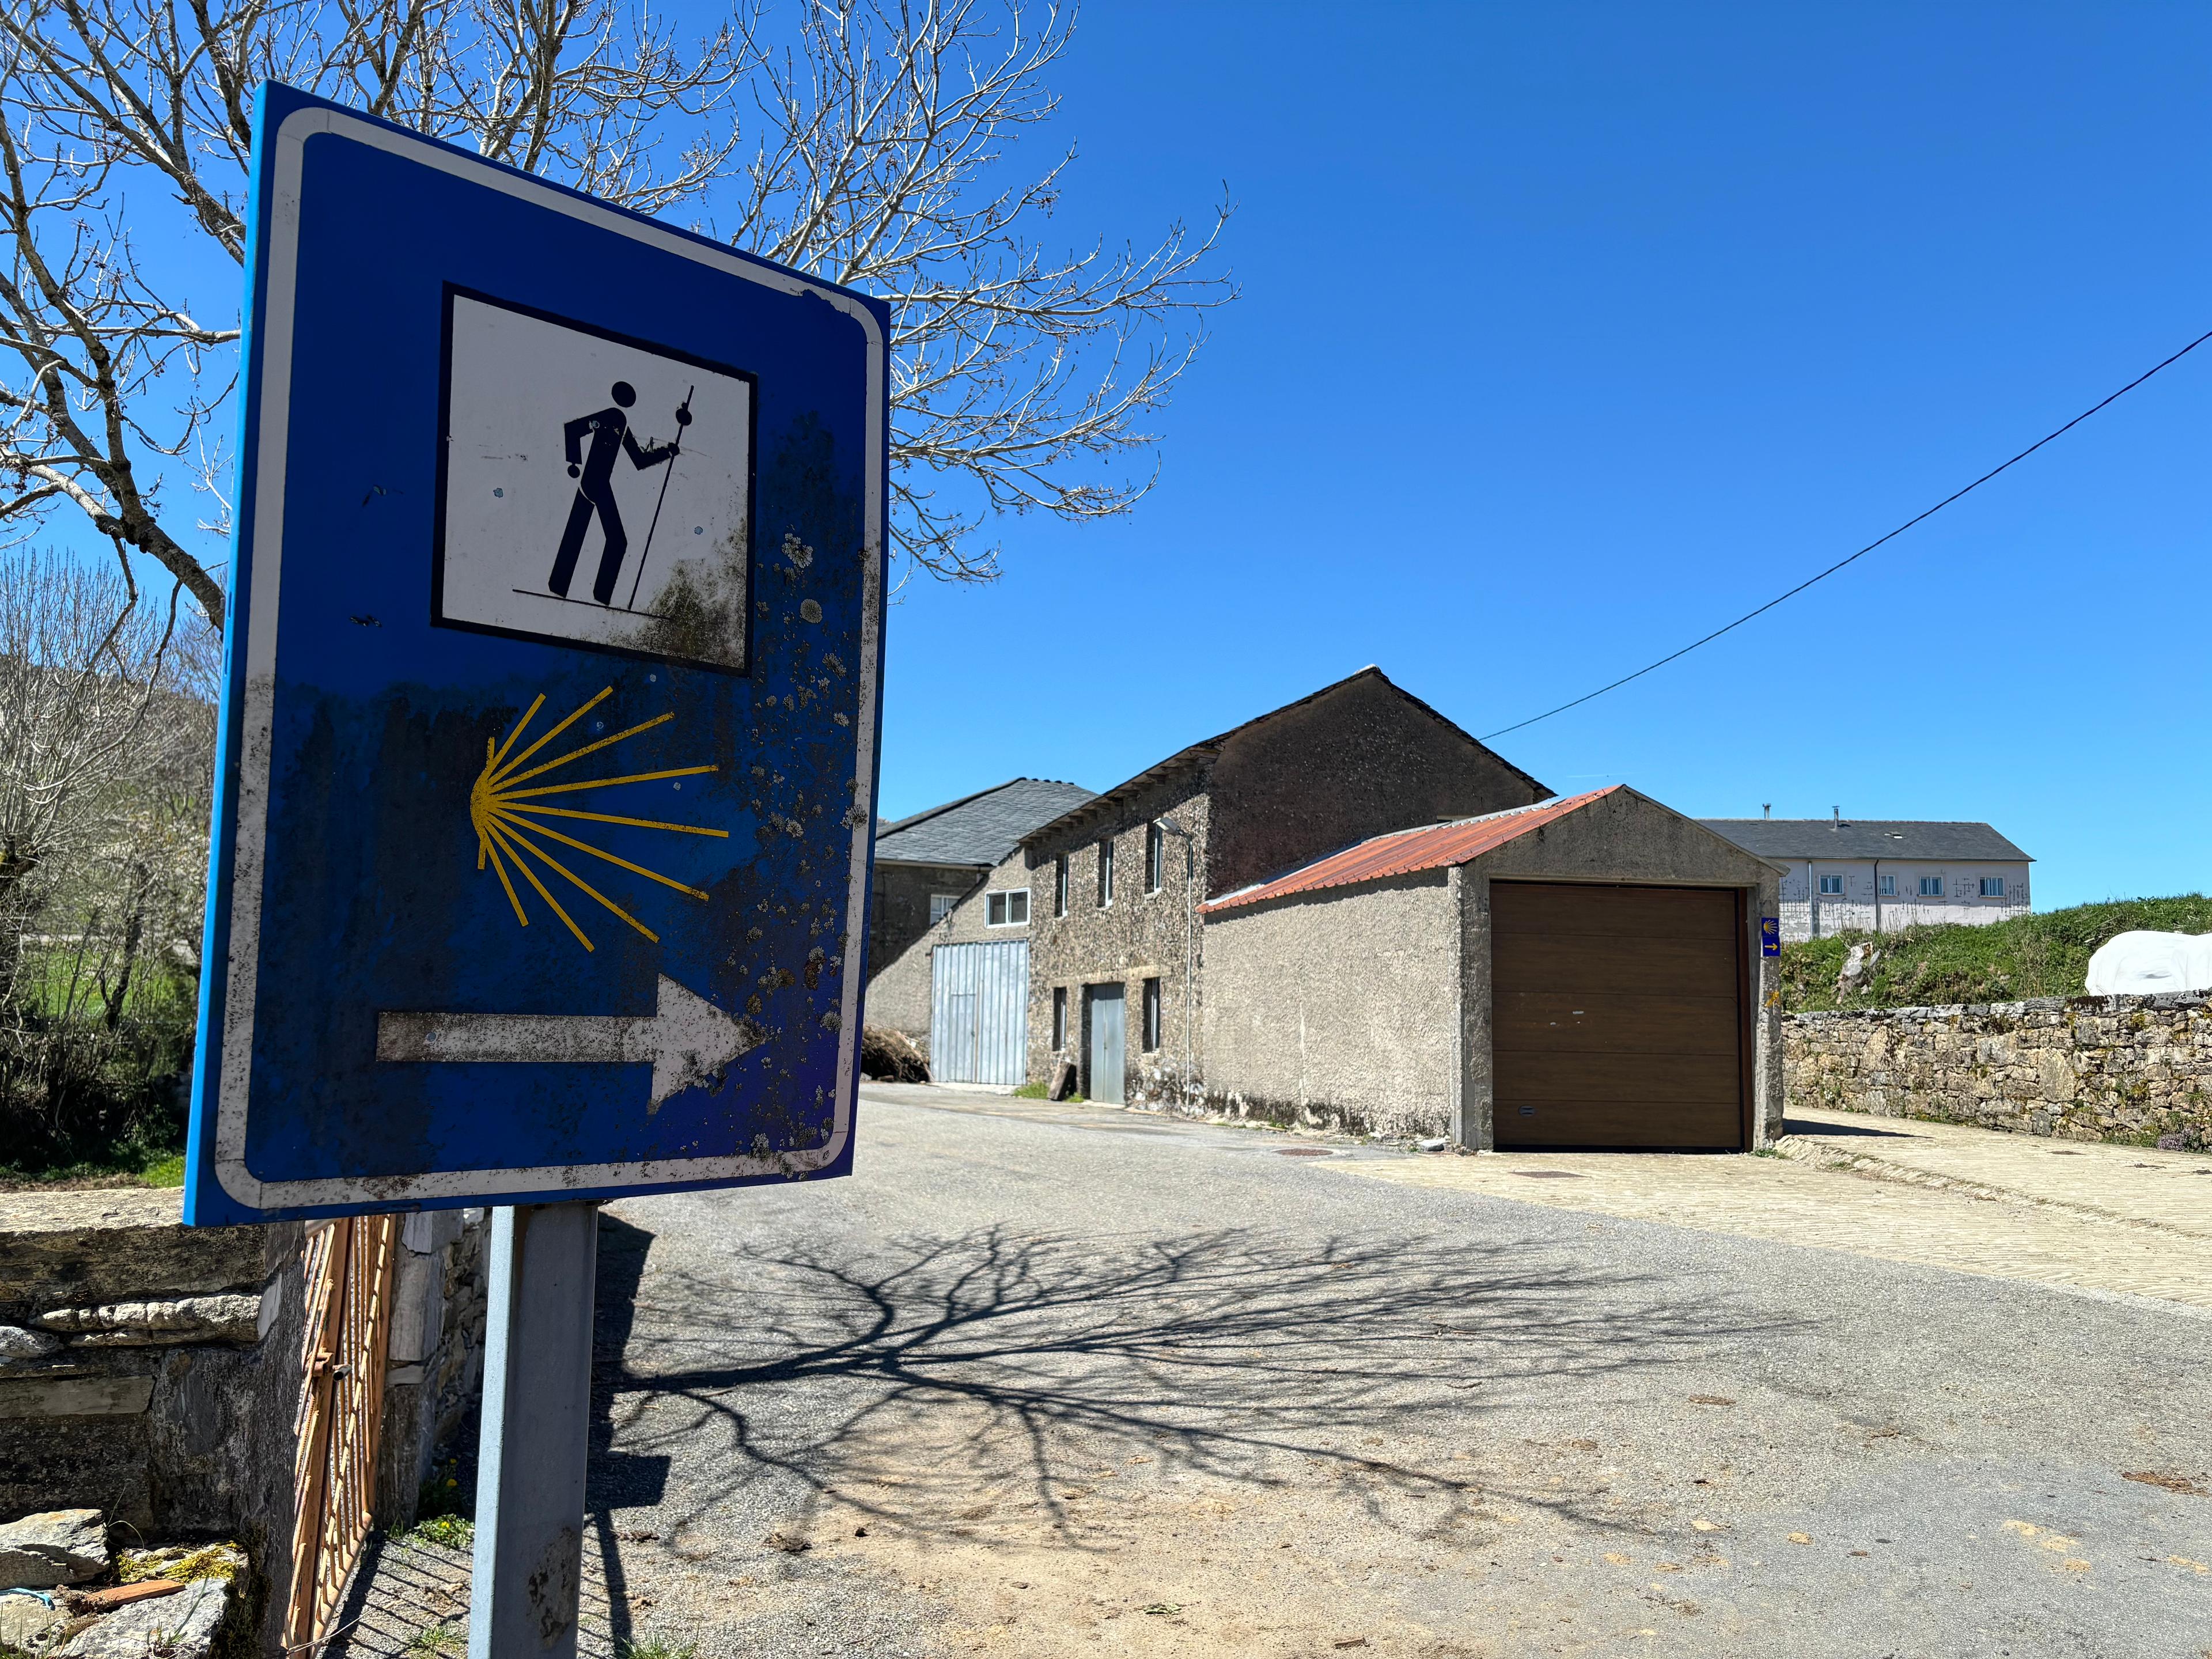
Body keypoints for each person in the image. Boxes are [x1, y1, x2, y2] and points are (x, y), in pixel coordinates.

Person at [547, 382, 689, 605]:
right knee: (595, 535)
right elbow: (573, 430)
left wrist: (668, 452)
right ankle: (568, 587)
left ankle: (592, 593)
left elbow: (638, 459)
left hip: (601, 484)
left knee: (605, 537)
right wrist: (574, 462)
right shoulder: (611, 416)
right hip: (591, 482)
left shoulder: (621, 423)